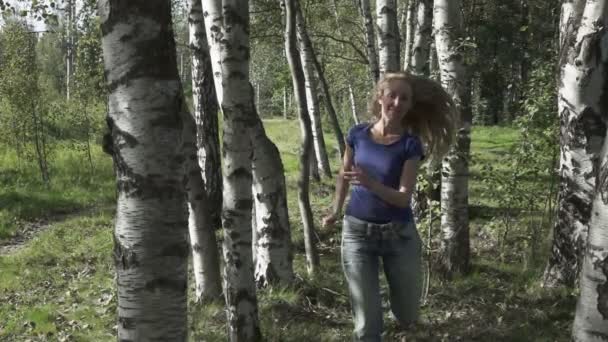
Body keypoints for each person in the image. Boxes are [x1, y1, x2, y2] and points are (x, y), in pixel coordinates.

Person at [322, 71, 457, 342]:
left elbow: (403, 197)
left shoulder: (410, 145)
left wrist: (370, 183)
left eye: (404, 98)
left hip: (399, 235)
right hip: (357, 234)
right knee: (366, 325)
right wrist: (335, 210)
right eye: (392, 95)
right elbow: (344, 175)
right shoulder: (357, 134)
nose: (397, 102)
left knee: (407, 314)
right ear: (380, 97)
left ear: (410, 105)